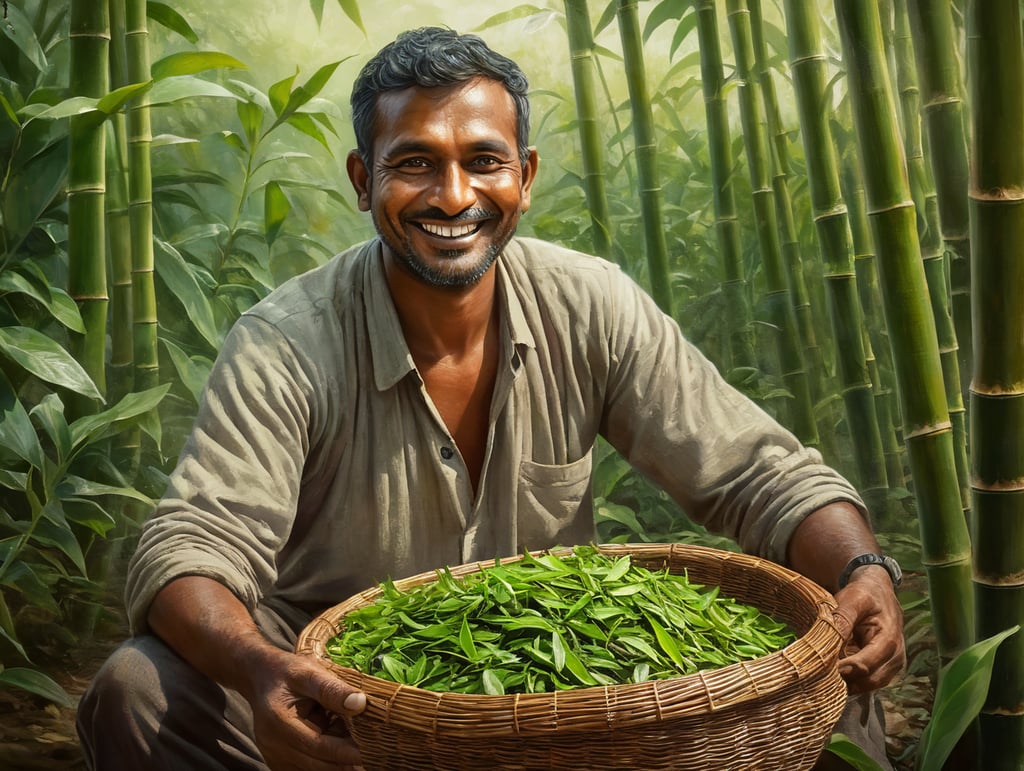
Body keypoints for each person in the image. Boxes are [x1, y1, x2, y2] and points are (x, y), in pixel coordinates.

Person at [77, 26, 904, 771]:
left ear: (525, 175)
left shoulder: (589, 303)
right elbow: (191, 547)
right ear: (363, 180)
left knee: (832, 672)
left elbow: (760, 474)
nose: (452, 195)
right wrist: (264, 667)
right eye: (414, 163)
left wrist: (862, 570)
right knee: (138, 689)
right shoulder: (288, 343)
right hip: (348, 715)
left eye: (482, 159)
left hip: (557, 710)